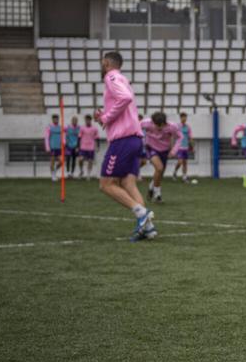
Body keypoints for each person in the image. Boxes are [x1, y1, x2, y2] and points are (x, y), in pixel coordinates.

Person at [94, 51, 156, 241]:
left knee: (106, 185)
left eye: (102, 63)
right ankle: (148, 228)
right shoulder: (122, 78)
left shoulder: (111, 77)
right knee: (128, 183)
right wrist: (105, 116)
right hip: (134, 139)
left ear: (106, 63)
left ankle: (142, 214)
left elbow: (125, 98)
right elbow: (125, 101)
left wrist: (106, 117)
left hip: (123, 140)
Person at [140, 112, 182, 204]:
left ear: (165, 122)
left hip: (164, 151)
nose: (159, 127)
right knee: (159, 168)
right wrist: (140, 141)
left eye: (161, 125)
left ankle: (151, 187)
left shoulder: (172, 126)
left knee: (160, 173)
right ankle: (158, 195)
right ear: (153, 122)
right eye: (157, 125)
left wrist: (173, 151)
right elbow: (135, 128)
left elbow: (180, 137)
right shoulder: (146, 123)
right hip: (151, 148)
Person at [171, 111, 194, 183]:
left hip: (186, 147)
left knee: (185, 163)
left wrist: (192, 147)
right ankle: (175, 172)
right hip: (179, 147)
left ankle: (184, 177)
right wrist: (172, 147)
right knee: (180, 162)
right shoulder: (177, 126)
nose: (184, 119)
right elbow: (173, 137)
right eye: (183, 117)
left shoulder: (188, 127)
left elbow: (190, 138)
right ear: (180, 118)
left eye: (185, 117)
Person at [77, 114, 99, 179]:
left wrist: (98, 146)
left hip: (91, 147)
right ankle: (81, 171)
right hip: (83, 147)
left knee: (90, 161)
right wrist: (77, 146)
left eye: (89, 120)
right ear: (85, 120)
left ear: (90, 120)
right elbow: (79, 137)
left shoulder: (94, 128)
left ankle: (88, 174)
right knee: (80, 160)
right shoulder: (82, 128)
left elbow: (97, 138)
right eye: (86, 120)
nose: (87, 121)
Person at [43, 114, 63, 182]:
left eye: (57, 119)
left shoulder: (60, 127)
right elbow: (46, 138)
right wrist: (47, 147)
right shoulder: (49, 127)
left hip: (59, 147)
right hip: (52, 147)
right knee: (52, 162)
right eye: (54, 119)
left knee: (62, 161)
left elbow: (63, 135)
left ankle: (55, 171)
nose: (56, 120)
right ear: (52, 120)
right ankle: (53, 176)